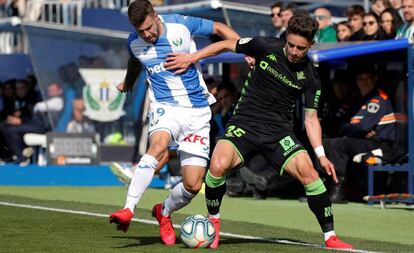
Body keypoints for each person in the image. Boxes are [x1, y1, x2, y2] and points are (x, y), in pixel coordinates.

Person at [165, 14, 353, 249]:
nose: (294, 51)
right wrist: (191, 57)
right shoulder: (266, 46)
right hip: (245, 124)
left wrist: (321, 154)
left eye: (300, 48)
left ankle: (331, 237)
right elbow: (225, 44)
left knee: (311, 175)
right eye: (291, 45)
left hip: (278, 133)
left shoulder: (311, 77)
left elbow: (311, 119)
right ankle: (214, 221)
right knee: (217, 165)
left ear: (311, 45)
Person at [108, 0, 241, 246]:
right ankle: (128, 209)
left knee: (192, 184)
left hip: (197, 112)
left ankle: (164, 212)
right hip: (165, 108)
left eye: (148, 28)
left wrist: (247, 50)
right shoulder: (134, 42)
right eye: (140, 31)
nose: (146, 35)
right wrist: (128, 82)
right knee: (157, 147)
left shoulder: (180, 24)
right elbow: (135, 61)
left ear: (155, 16)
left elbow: (220, 29)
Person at [323, 67, 397, 203]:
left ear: (374, 79)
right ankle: (320, 186)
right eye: (360, 79)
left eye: (367, 78)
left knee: (338, 144)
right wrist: (351, 129)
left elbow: (361, 127)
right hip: (363, 141)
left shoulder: (378, 98)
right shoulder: (359, 99)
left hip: (381, 146)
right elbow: (343, 124)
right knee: (324, 143)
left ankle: (338, 190)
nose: (364, 82)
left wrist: (352, 130)